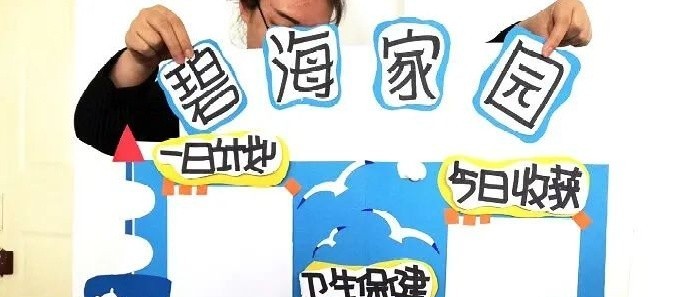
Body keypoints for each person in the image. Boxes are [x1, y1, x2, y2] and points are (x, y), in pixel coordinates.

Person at [74, 0, 592, 155]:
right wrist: (138, 60)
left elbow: (458, 101)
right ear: (246, 10)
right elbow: (97, 128)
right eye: (282, 24)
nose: (293, 47)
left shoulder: (356, 93)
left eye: (313, 33)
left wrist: (533, 31)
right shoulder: (207, 98)